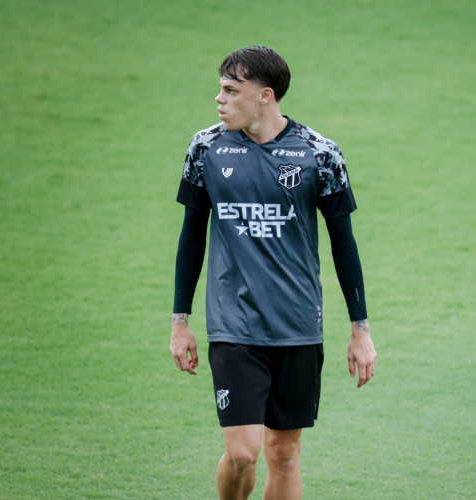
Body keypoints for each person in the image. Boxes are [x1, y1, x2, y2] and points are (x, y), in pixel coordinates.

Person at [169, 46, 377, 500]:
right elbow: (191, 237)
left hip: (298, 327)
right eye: (220, 89)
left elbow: (345, 245)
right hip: (234, 325)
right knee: (243, 452)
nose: (219, 100)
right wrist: (179, 322)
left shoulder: (320, 154)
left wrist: (360, 330)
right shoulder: (206, 147)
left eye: (230, 90)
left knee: (283, 454)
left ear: (265, 95)